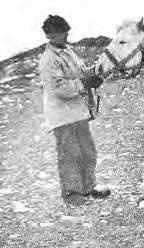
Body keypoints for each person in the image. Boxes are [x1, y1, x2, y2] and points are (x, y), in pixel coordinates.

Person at [38, 15, 110, 206]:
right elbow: (59, 88)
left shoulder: (67, 52)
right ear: (52, 35)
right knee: (70, 153)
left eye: (67, 31)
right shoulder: (49, 60)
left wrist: (96, 72)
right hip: (62, 116)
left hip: (78, 113)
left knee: (88, 151)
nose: (67, 35)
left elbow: (81, 72)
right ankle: (72, 194)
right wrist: (84, 83)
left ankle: (88, 186)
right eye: (63, 32)